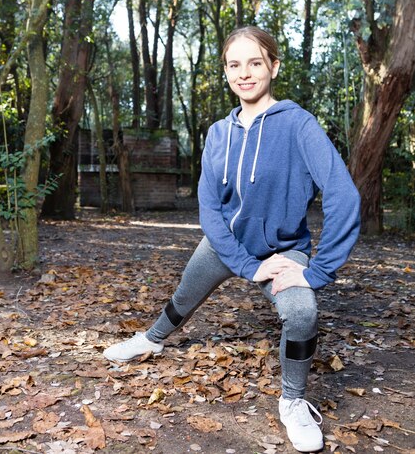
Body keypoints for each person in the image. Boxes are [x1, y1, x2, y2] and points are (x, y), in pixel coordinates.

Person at [103, 26, 361, 453]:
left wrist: (316, 272)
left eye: (255, 62)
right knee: (183, 297)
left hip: (283, 253)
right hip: (227, 245)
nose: (244, 73)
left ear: (273, 67)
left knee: (302, 313)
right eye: (234, 64)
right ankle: (149, 340)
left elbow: (343, 195)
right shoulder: (218, 133)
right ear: (225, 71)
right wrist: (245, 263)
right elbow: (209, 206)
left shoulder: (298, 125)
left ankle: (293, 402)